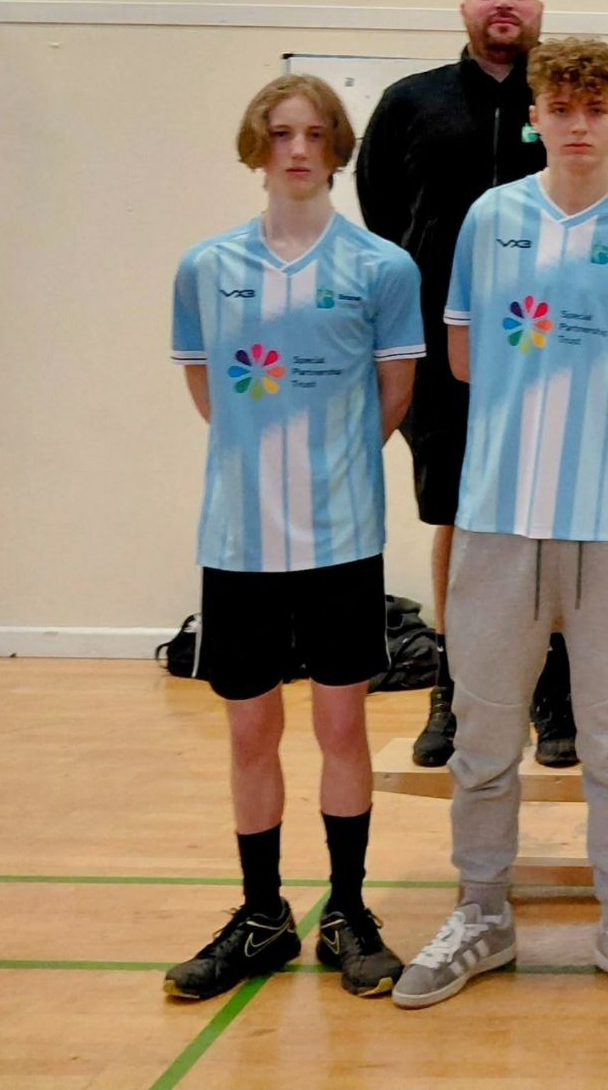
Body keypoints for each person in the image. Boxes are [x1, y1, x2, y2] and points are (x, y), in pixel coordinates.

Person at [391, 38, 608, 1013]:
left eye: (594, 107)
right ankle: (482, 912)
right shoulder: (491, 218)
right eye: (560, 108)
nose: (577, 124)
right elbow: (460, 359)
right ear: (536, 118)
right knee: (484, 738)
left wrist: (592, 374)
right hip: (497, 519)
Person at [354, 0, 608, 771]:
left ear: (541, 7)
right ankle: (456, 687)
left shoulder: (578, 107)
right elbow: (382, 219)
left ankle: (554, 693)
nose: (503, 2)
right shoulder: (409, 103)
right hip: (444, 352)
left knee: (559, 516)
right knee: (462, 515)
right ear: (463, 8)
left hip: (563, 354)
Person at [164, 75, 423, 1001]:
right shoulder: (206, 266)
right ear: (258, 146)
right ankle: (262, 914)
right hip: (238, 541)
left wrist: (326, 463)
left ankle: (347, 910)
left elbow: (394, 393)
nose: (299, 150)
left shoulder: (383, 268)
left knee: (342, 723)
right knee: (250, 730)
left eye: (315, 134)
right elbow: (208, 388)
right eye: (281, 134)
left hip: (341, 537)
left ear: (337, 147)